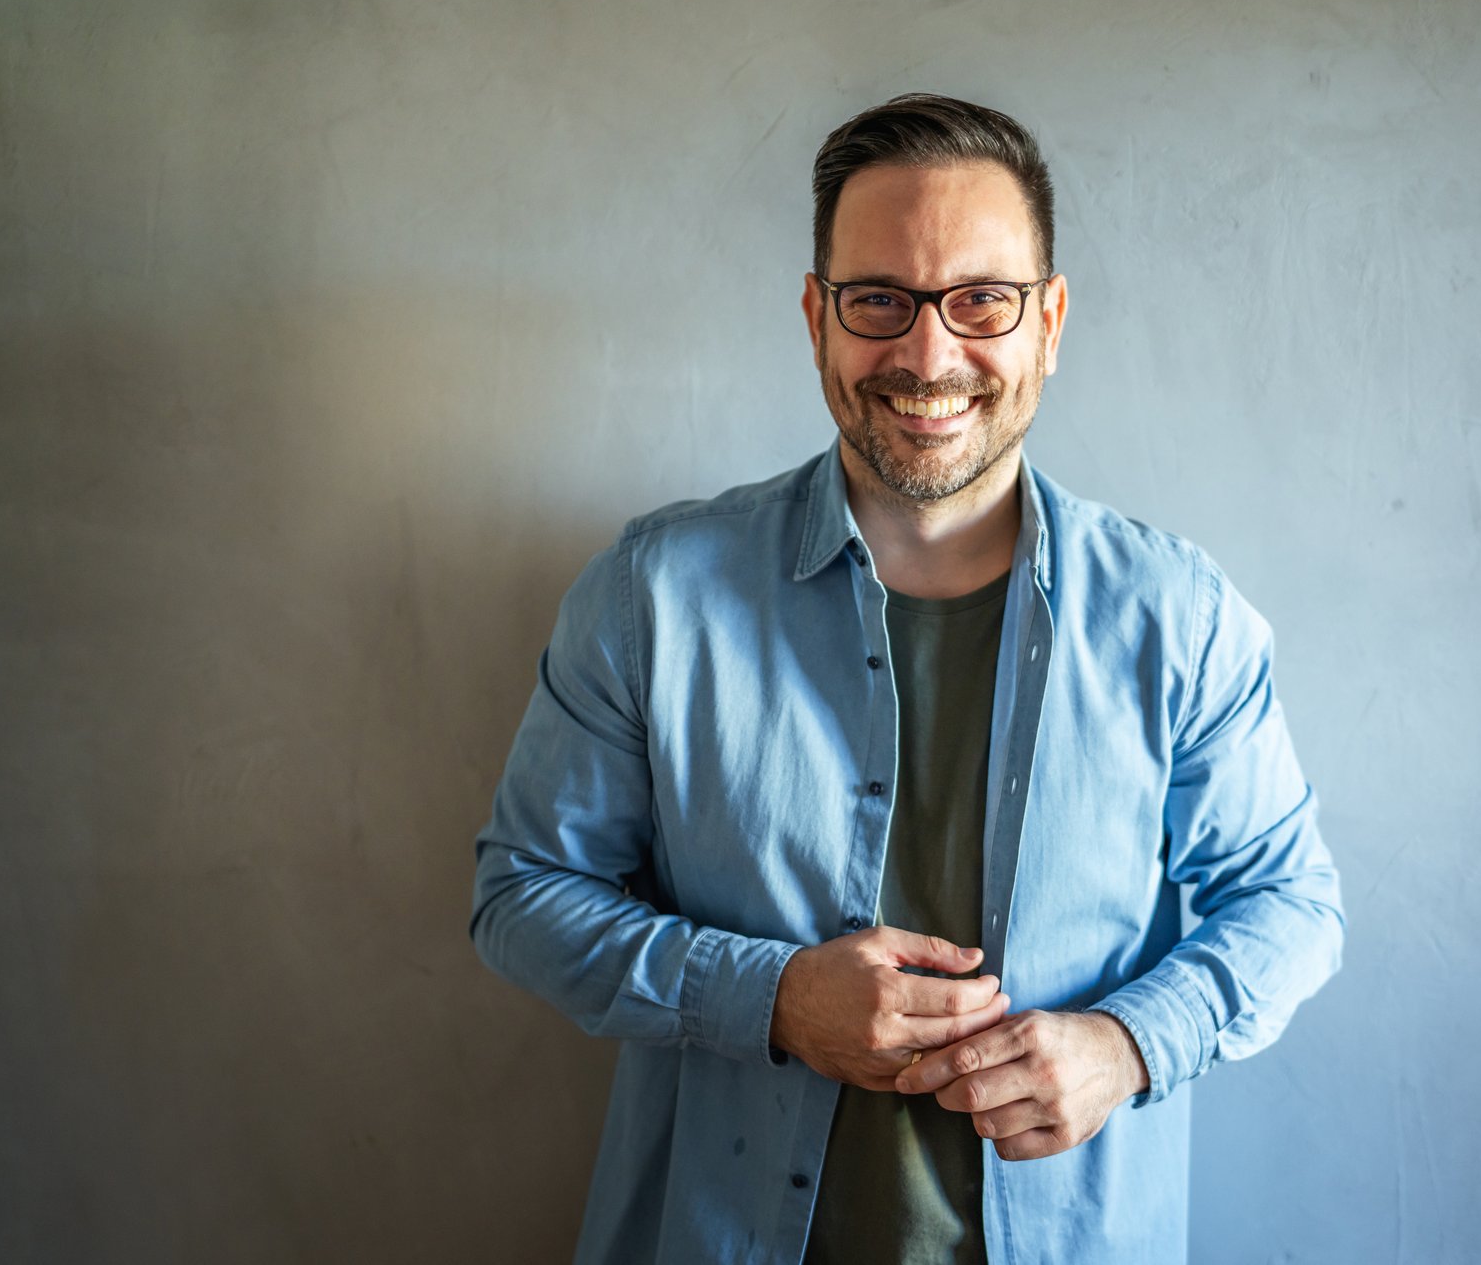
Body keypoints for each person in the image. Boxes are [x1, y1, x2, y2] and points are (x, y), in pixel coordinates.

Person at [470, 93, 1345, 1265]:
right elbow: (523, 892)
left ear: (1049, 320)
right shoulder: (651, 597)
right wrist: (770, 997)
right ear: (817, 318)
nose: (928, 355)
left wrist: (1130, 1043)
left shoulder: (1179, 618)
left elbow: (1292, 905)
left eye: (981, 299)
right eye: (879, 300)